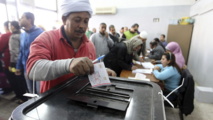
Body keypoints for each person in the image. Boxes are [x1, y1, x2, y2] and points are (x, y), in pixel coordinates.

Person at [26, 0, 116, 93]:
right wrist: (68, 64)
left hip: (81, 100)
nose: (82, 26)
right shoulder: (47, 38)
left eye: (86, 21)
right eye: (77, 20)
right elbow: (33, 69)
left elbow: (88, 69)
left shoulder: (89, 45)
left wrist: (100, 71)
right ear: (64, 19)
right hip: (53, 102)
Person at [16, 12, 44, 94]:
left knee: (40, 92)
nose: (19, 19)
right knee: (31, 91)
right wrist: (18, 66)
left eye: (22, 17)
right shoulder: (23, 35)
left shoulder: (40, 33)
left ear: (29, 19)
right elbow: (21, 51)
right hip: (26, 68)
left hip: (38, 68)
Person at [9, 21, 28, 103]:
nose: (10, 27)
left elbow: (14, 51)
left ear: (13, 26)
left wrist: (16, 65)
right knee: (24, 81)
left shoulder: (13, 37)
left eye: (10, 26)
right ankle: (27, 97)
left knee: (18, 81)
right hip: (23, 61)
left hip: (16, 62)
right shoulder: (23, 34)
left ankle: (23, 99)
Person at [0, 21, 12, 94]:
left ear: (5, 27)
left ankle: (8, 87)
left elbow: (0, 47)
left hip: (6, 58)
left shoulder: (4, 36)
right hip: (14, 58)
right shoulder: (16, 34)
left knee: (8, 74)